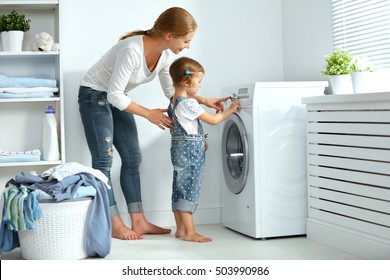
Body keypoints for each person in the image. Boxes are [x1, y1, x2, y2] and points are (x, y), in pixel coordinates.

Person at [78, 7, 228, 241]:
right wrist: (148, 113)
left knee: (132, 158)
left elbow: (173, 93)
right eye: (186, 40)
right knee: (103, 160)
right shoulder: (132, 50)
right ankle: (114, 222)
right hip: (94, 95)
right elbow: (114, 95)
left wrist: (204, 100)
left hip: (117, 96)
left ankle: (138, 221)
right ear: (169, 35)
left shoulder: (166, 56)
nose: (188, 46)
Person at [168, 57, 240, 242]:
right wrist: (232, 109)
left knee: (179, 186)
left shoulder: (174, 101)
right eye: (199, 81)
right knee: (190, 187)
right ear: (186, 81)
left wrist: (200, 139)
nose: (200, 86)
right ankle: (190, 233)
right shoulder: (188, 103)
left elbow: (185, 127)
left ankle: (181, 230)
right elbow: (214, 120)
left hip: (180, 147)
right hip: (190, 150)